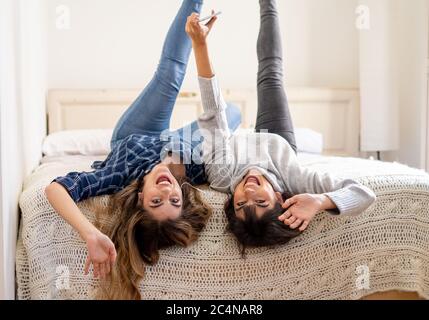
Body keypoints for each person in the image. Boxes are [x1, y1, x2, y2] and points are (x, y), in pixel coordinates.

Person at [45, 0, 241, 299]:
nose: (166, 189)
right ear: (183, 195)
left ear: (140, 197)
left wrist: (91, 233)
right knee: (233, 114)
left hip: (135, 135)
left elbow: (55, 189)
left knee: (171, 75)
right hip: (180, 144)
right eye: (173, 198)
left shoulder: (119, 175)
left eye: (156, 199)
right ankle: (194, 32)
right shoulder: (198, 172)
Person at [185, 0, 377, 255]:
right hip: (277, 141)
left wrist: (200, 45)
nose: (249, 190)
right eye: (260, 200)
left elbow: (214, 116)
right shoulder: (294, 179)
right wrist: (320, 201)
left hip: (236, 140)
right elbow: (364, 194)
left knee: (223, 117)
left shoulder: (223, 177)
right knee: (270, 73)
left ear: (232, 202)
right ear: (279, 198)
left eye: (242, 203)